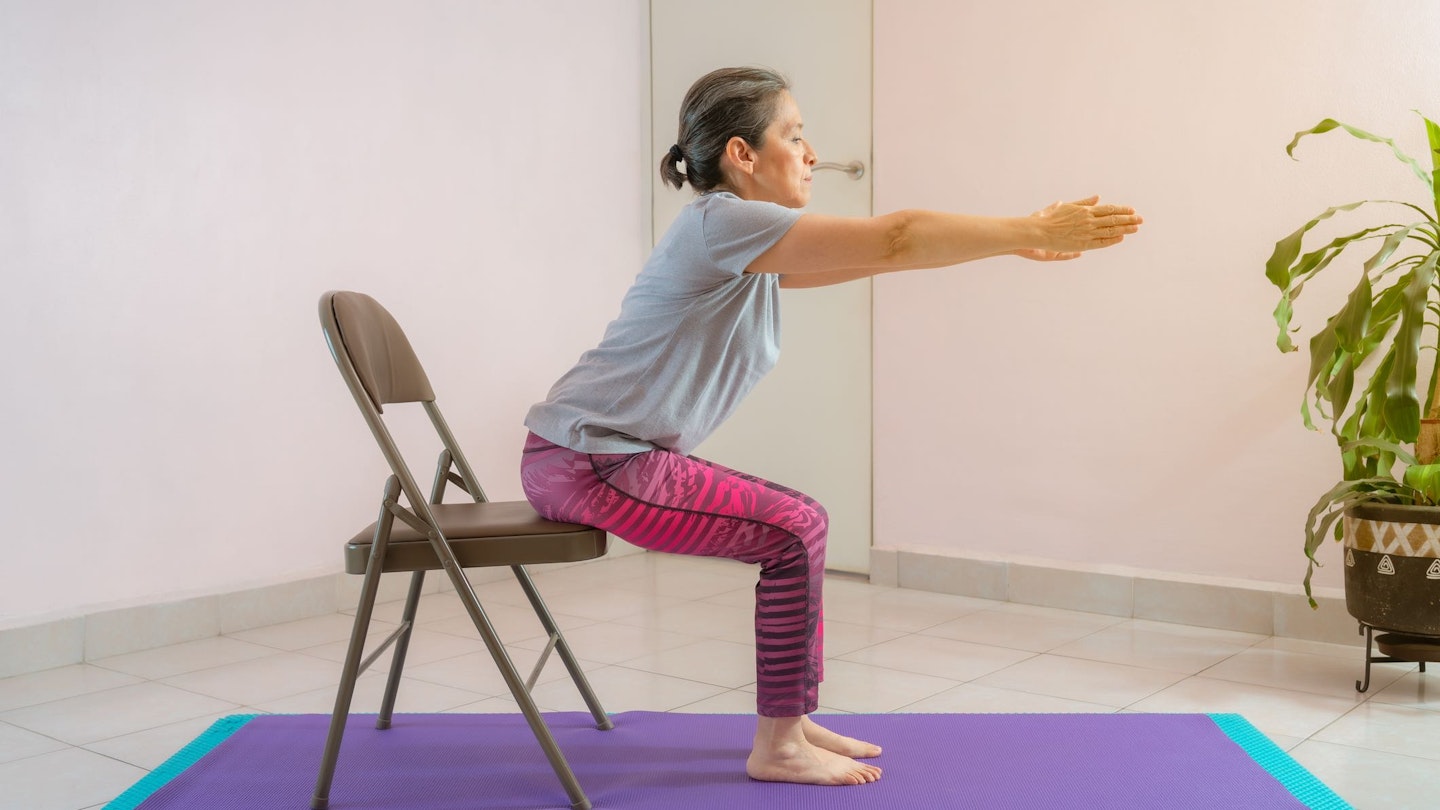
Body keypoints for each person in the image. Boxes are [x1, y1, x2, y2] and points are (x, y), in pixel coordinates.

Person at [520, 66, 1142, 787]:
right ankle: (778, 741)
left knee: (798, 527)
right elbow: (898, 238)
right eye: (794, 135)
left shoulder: (740, 245)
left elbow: (881, 253)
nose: (811, 153)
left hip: (591, 457)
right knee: (795, 529)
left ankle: (791, 720)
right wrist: (1029, 226)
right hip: (590, 460)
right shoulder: (720, 221)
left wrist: (1007, 244)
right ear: (741, 155)